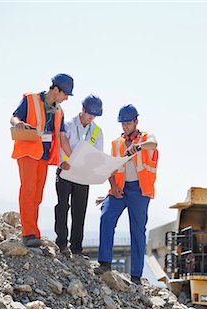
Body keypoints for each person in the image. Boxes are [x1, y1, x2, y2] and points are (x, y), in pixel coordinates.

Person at [95, 104, 158, 285]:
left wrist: (138, 147)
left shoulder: (146, 138)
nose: (125, 126)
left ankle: (136, 276)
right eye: (122, 123)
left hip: (140, 191)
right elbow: (110, 168)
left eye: (128, 123)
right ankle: (104, 263)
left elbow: (154, 143)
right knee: (106, 216)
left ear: (136, 122)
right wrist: (113, 186)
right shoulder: (116, 143)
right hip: (119, 189)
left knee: (137, 231)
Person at [10, 73, 73, 247]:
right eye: (65, 94)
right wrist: (17, 124)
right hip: (28, 151)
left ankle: (33, 231)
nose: (66, 98)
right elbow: (14, 116)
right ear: (55, 89)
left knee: (37, 195)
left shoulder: (59, 111)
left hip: (44, 155)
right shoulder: (30, 100)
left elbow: (62, 137)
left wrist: (72, 157)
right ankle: (28, 233)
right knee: (28, 190)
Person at [55, 95, 104, 258]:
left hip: (83, 176)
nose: (91, 118)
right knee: (62, 207)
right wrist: (62, 162)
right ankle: (61, 243)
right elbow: (59, 145)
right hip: (65, 171)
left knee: (79, 211)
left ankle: (76, 248)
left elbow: (98, 155)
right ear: (82, 109)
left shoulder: (97, 131)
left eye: (94, 115)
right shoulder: (68, 124)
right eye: (89, 113)